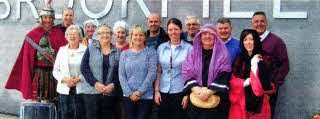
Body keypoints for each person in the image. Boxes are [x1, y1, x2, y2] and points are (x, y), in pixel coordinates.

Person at [5, 3, 67, 102]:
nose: (47, 20)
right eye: (45, 17)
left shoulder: (58, 33)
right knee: (35, 102)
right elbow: (26, 59)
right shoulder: (32, 35)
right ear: (41, 18)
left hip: (53, 73)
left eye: (50, 18)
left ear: (53, 19)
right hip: (37, 73)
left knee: (51, 102)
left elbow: (65, 54)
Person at [182, 24, 232, 119]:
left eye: (211, 34)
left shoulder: (223, 54)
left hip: (216, 101)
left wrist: (208, 92)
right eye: (204, 34)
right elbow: (187, 72)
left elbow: (224, 75)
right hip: (196, 99)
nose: (207, 36)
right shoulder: (193, 53)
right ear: (200, 37)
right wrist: (198, 91)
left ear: (216, 37)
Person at [229, 29, 276, 119]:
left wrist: (254, 65)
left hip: (259, 103)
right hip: (241, 100)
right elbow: (232, 79)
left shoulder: (264, 58)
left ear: (256, 41)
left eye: (251, 39)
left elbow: (265, 84)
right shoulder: (239, 58)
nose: (248, 42)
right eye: (245, 39)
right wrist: (244, 83)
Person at [251, 11, 290, 118]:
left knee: (266, 115)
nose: (259, 24)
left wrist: (273, 84)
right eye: (256, 22)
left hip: (268, 90)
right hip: (251, 88)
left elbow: (284, 65)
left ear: (267, 23)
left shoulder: (276, 41)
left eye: (262, 21)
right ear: (252, 25)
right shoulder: (249, 41)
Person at [80, 24, 121, 119]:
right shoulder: (90, 49)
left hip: (110, 92)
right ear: (97, 36)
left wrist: (113, 85)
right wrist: (95, 84)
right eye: (102, 33)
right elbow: (84, 68)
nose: (105, 35)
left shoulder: (118, 51)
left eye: (107, 33)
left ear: (111, 35)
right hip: (92, 92)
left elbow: (120, 72)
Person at [154, 18, 192, 119]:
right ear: (167, 31)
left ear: (181, 30)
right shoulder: (161, 48)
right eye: (170, 30)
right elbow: (158, 71)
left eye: (176, 29)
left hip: (180, 91)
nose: (173, 32)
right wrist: (156, 91)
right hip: (163, 91)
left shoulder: (189, 49)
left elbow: (192, 73)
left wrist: (187, 94)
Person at [119, 25, 157, 119]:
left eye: (141, 35)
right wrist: (130, 93)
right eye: (135, 35)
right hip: (128, 96)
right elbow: (121, 75)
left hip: (146, 96)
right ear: (131, 37)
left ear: (145, 37)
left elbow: (151, 74)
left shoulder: (151, 52)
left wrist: (139, 92)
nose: (138, 37)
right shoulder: (124, 54)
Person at [53, 25, 86, 119]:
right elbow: (56, 71)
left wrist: (78, 79)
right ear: (66, 37)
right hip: (64, 89)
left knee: (79, 115)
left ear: (80, 37)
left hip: (80, 89)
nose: (72, 36)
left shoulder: (86, 50)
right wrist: (65, 80)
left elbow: (89, 70)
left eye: (75, 34)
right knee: (65, 115)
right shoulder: (62, 50)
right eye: (70, 34)